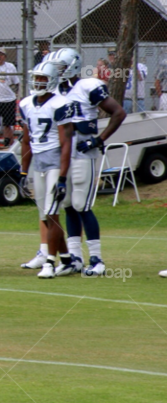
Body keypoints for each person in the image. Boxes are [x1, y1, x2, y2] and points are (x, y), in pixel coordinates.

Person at [50, 48, 126, 277]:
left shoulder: (87, 87)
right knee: (68, 204)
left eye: (61, 67)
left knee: (82, 204)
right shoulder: (55, 90)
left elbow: (118, 113)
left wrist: (98, 140)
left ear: (72, 66)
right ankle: (75, 257)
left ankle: (97, 258)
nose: (57, 72)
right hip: (63, 152)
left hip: (83, 151)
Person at [18, 61, 74, 278]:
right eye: (36, 78)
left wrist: (62, 176)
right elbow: (25, 141)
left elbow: (66, 142)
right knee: (45, 216)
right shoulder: (26, 104)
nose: (38, 82)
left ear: (51, 80)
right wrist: (23, 172)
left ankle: (50, 262)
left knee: (52, 213)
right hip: (37, 163)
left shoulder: (60, 103)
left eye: (42, 78)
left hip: (54, 162)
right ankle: (67, 259)